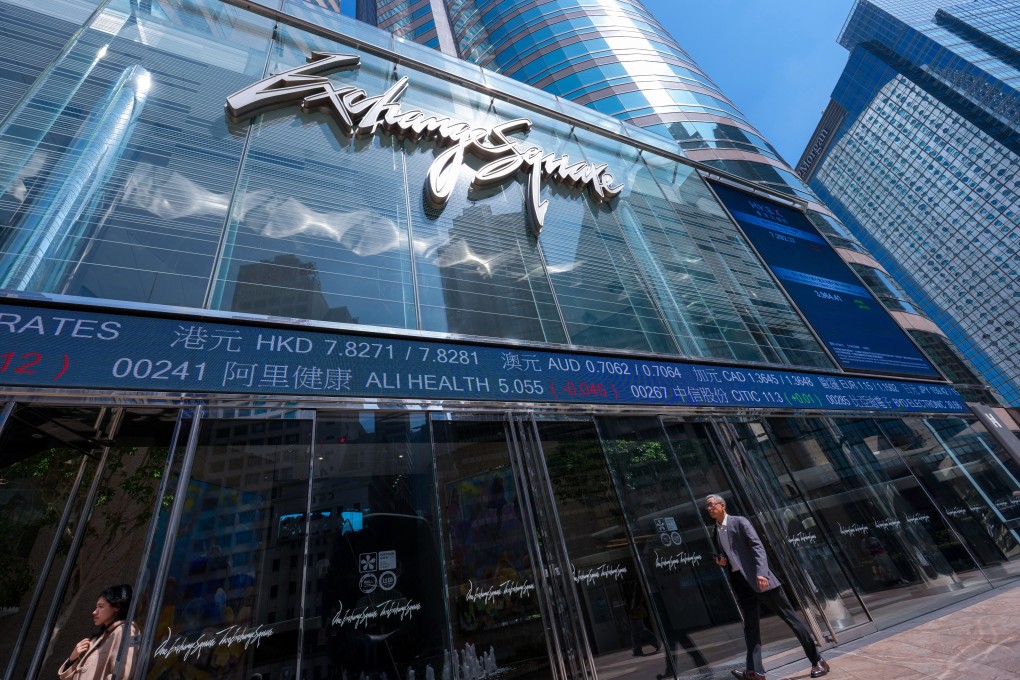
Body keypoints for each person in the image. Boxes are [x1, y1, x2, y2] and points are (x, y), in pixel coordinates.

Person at [705, 495, 829, 680]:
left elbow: (757, 547)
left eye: (711, 504)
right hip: (740, 582)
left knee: (790, 618)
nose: (709, 508)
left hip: (759, 579)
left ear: (722, 505)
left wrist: (762, 573)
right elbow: (730, 557)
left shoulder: (739, 522)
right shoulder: (715, 531)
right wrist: (722, 561)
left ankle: (818, 660)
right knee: (751, 628)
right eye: (707, 506)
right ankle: (755, 672)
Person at [59, 584, 139, 680]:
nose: (94, 612)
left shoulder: (125, 631)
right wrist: (72, 660)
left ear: (117, 606)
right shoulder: (98, 639)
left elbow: (121, 675)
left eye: (100, 606)